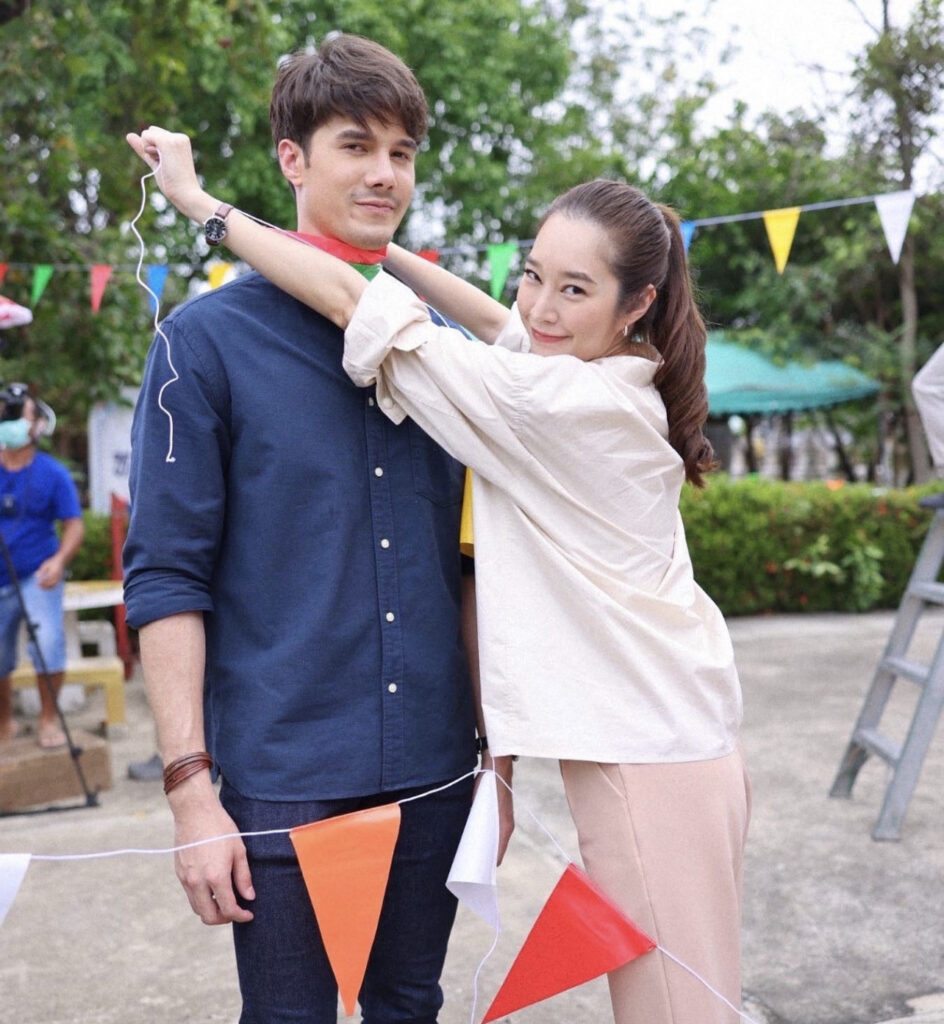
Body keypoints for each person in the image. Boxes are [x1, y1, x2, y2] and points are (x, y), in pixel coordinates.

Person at [129, 124, 750, 1024]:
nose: (541, 307)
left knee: (676, 1006)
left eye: (575, 288)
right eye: (532, 273)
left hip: (649, 748)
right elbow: (505, 327)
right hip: (664, 732)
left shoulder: (560, 400)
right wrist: (385, 251)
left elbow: (366, 313)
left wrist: (201, 206)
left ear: (637, 304)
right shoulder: (599, 368)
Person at [122, 36, 483, 1024]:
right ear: (292, 158)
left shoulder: (439, 351)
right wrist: (190, 789)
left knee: (410, 1005)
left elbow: (471, 569)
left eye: (401, 152)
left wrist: (496, 757)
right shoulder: (201, 344)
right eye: (355, 146)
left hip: (436, 765)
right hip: (281, 774)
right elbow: (166, 576)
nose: (383, 173)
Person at [0, 382, 84, 748]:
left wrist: (59, 560)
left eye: (19, 415)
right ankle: (4, 722)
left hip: (38, 576)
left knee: (48, 642)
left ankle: (48, 719)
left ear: (39, 425)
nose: (10, 422)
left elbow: (74, 526)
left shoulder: (54, 474)